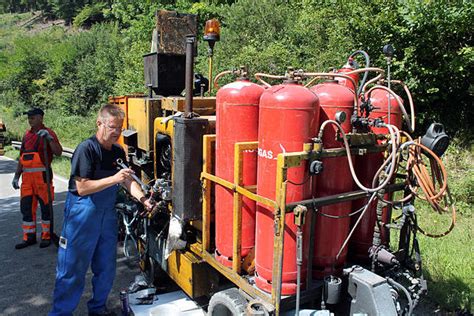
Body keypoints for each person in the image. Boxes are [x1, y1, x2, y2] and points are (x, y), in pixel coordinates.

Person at [50, 104, 153, 316]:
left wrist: (143, 199)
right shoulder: (86, 149)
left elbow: (126, 181)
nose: (117, 132)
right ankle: (60, 313)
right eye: (113, 127)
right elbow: (82, 187)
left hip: (106, 215)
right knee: (72, 270)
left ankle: (97, 309)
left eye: (120, 128)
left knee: (106, 269)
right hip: (82, 214)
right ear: (100, 123)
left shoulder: (117, 151)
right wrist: (114, 179)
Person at [12, 108, 62, 249]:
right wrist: (17, 176)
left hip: (42, 178)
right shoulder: (26, 136)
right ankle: (29, 237)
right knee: (26, 209)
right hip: (27, 180)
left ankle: (46, 236)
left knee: (46, 208)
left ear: (40, 118)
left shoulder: (49, 133)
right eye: (29, 118)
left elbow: (58, 152)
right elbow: (22, 158)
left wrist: (50, 139)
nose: (30, 120)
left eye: (33, 118)